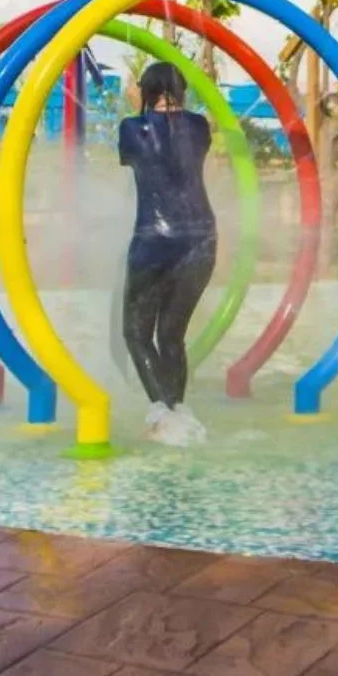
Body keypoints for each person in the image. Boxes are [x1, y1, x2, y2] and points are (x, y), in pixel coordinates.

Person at [117, 61, 216, 446]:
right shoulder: (200, 126)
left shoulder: (132, 127)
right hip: (202, 240)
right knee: (172, 335)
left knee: (136, 333)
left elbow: (132, 157)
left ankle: (163, 411)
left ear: (147, 90)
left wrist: (134, 104)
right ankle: (179, 414)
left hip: (154, 241)